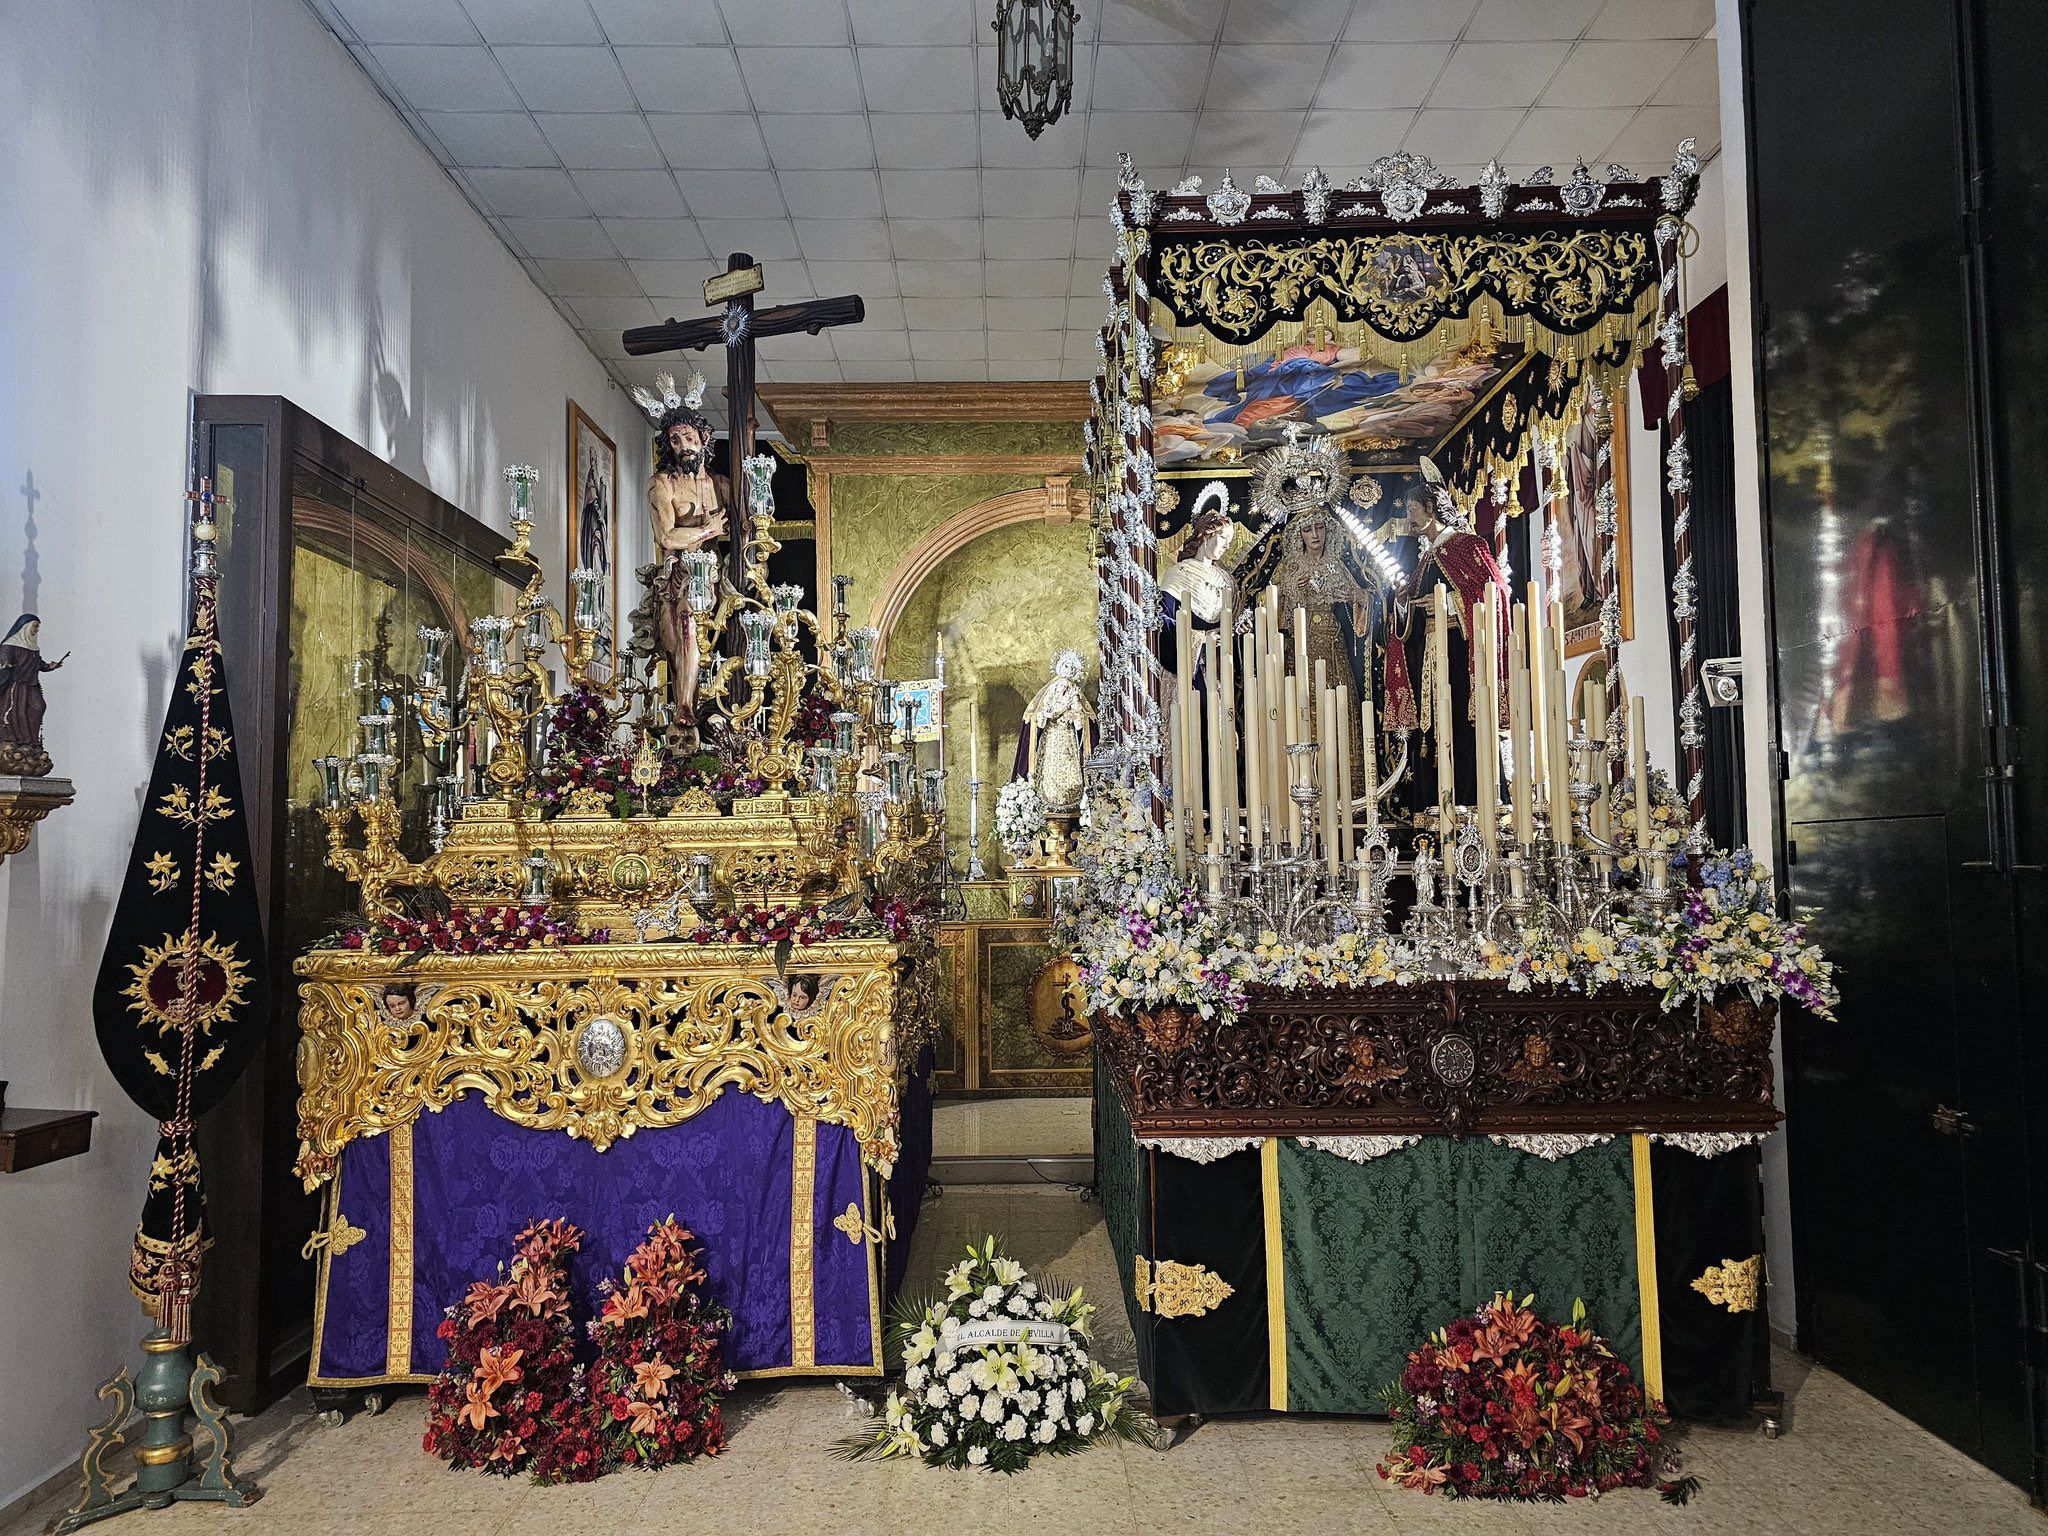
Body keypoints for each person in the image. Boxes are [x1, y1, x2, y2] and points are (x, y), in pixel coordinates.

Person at [1384, 470, 1510, 816]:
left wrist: (1450, 604)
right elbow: (1410, 612)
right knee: (1431, 724)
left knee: (1458, 721)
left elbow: (1495, 593)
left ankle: (1468, 799)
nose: (1408, 518)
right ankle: (1432, 802)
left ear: (1430, 508)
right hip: (1430, 654)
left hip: (1458, 652)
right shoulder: (1426, 558)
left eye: (1412, 510)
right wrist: (1401, 602)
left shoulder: (1466, 546)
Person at [631, 372, 727, 740]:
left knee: (705, 632)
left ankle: (700, 704)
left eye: (688, 437)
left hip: (717, 576)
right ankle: (683, 705)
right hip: (678, 574)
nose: (683, 445)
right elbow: (667, 535)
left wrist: (714, 532)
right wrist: (707, 530)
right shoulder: (662, 485)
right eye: (674, 440)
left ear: (703, 439)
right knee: (682, 630)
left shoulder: (722, 486)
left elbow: (742, 527)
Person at [0, 614, 66, 773]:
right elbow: (4, 659)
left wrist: (51, 666)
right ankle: (15, 741)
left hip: (31, 685)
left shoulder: (33, 647)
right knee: (17, 713)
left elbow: (39, 664)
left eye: (37, 627)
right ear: (25, 627)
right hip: (17, 685)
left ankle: (32, 742)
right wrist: (6, 664)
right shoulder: (10, 644)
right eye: (35, 626)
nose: (36, 630)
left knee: (38, 708)